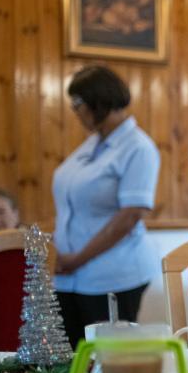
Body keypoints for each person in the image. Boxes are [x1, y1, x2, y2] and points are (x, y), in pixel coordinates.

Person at [54, 65, 160, 348]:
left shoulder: (138, 147)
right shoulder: (93, 145)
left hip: (111, 276)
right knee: (71, 363)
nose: (74, 111)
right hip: (69, 276)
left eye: (77, 103)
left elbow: (129, 217)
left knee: (106, 363)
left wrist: (77, 259)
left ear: (97, 100)